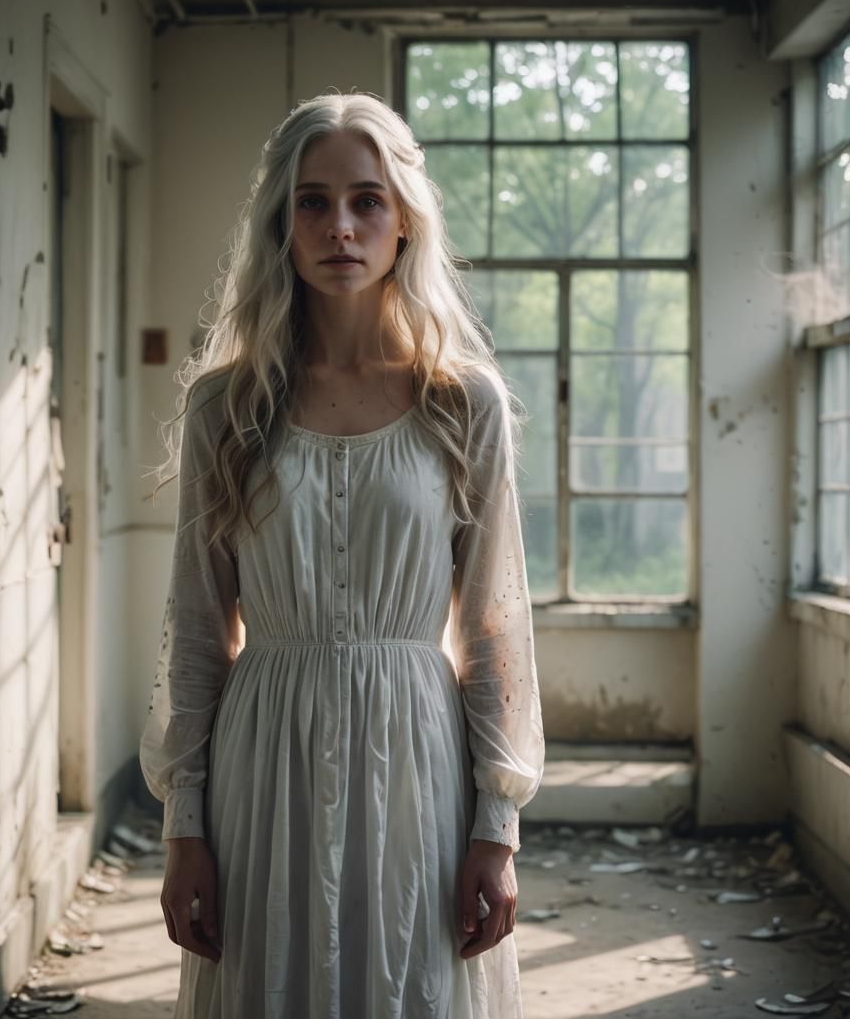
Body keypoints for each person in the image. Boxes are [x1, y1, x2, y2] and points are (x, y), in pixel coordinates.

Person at [140, 89, 545, 1019]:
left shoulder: (464, 405)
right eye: (311, 201)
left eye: (366, 200)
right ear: (280, 224)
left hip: (417, 759)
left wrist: (497, 826)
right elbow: (198, 629)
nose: (340, 226)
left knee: (407, 984)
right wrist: (183, 827)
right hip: (263, 759)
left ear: (404, 220)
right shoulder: (226, 408)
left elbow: (492, 626)